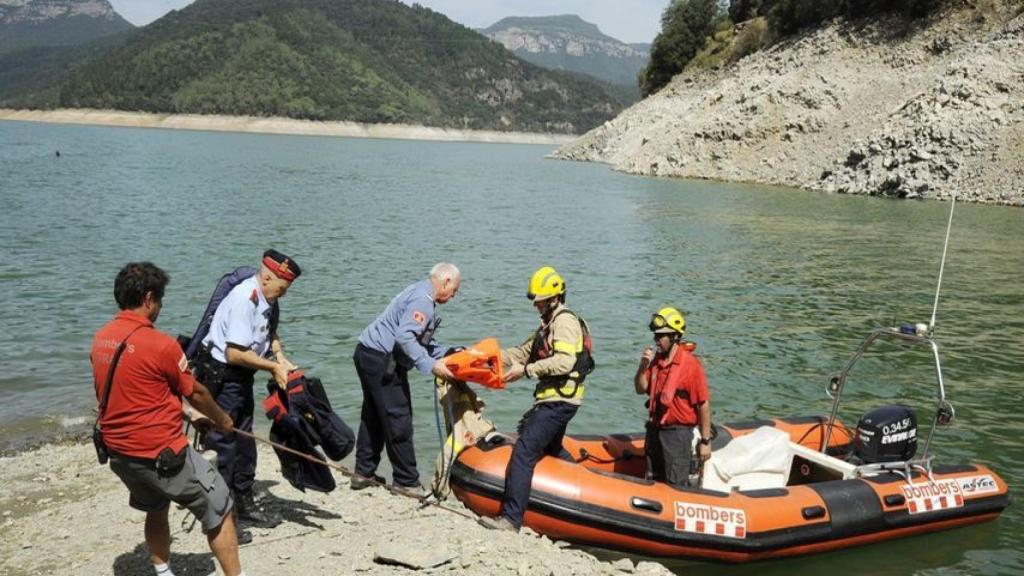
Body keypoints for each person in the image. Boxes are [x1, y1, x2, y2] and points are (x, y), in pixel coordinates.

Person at [90, 262, 247, 576]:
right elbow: (198, 392)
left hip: (120, 455)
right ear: (149, 299)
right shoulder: (161, 345)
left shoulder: (101, 338)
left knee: (156, 506)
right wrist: (221, 420)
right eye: (160, 300)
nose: (160, 307)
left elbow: (140, 393)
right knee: (220, 504)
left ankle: (163, 573)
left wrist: (189, 415)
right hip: (161, 456)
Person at [479, 266, 593, 532]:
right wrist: (488, 357)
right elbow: (522, 352)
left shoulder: (564, 322)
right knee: (552, 448)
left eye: (540, 301)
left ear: (554, 298)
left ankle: (511, 519)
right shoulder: (548, 324)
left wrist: (527, 371)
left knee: (524, 452)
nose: (536, 306)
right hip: (553, 400)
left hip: (560, 401)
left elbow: (564, 362)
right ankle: (584, 487)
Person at [195, 249, 301, 526]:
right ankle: (222, 518)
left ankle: (243, 504)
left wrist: (278, 355)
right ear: (266, 278)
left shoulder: (264, 296)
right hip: (223, 379)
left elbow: (267, 330)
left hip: (240, 379)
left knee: (244, 442)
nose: (285, 294)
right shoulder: (245, 298)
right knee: (225, 447)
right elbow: (235, 353)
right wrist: (273, 368)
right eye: (282, 288)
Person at [351, 263, 461, 495]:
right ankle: (406, 481)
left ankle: (363, 472)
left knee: (374, 415)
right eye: (454, 290)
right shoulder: (423, 301)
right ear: (446, 281)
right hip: (382, 359)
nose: (454, 296)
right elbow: (404, 337)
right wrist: (432, 366)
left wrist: (449, 353)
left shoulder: (419, 291)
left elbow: (418, 339)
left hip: (367, 353)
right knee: (398, 417)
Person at [634, 306, 712, 489]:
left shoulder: (690, 366)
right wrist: (642, 368)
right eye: (655, 336)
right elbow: (641, 389)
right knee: (652, 479)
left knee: (675, 484)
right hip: (655, 431)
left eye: (661, 336)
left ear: (675, 336)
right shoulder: (657, 361)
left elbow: (704, 405)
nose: (656, 340)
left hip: (677, 435)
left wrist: (705, 442)